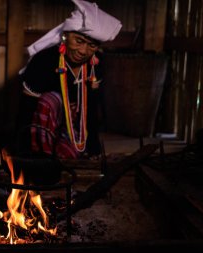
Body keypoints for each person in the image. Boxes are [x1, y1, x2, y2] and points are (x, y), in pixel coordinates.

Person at [14, 0, 122, 160]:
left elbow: (91, 108)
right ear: (65, 36)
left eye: (92, 45)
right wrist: (22, 151)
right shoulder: (43, 61)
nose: (83, 51)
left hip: (73, 131)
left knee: (67, 158)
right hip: (42, 129)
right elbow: (26, 110)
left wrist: (93, 148)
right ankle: (40, 155)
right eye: (79, 41)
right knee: (50, 100)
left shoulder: (95, 65)